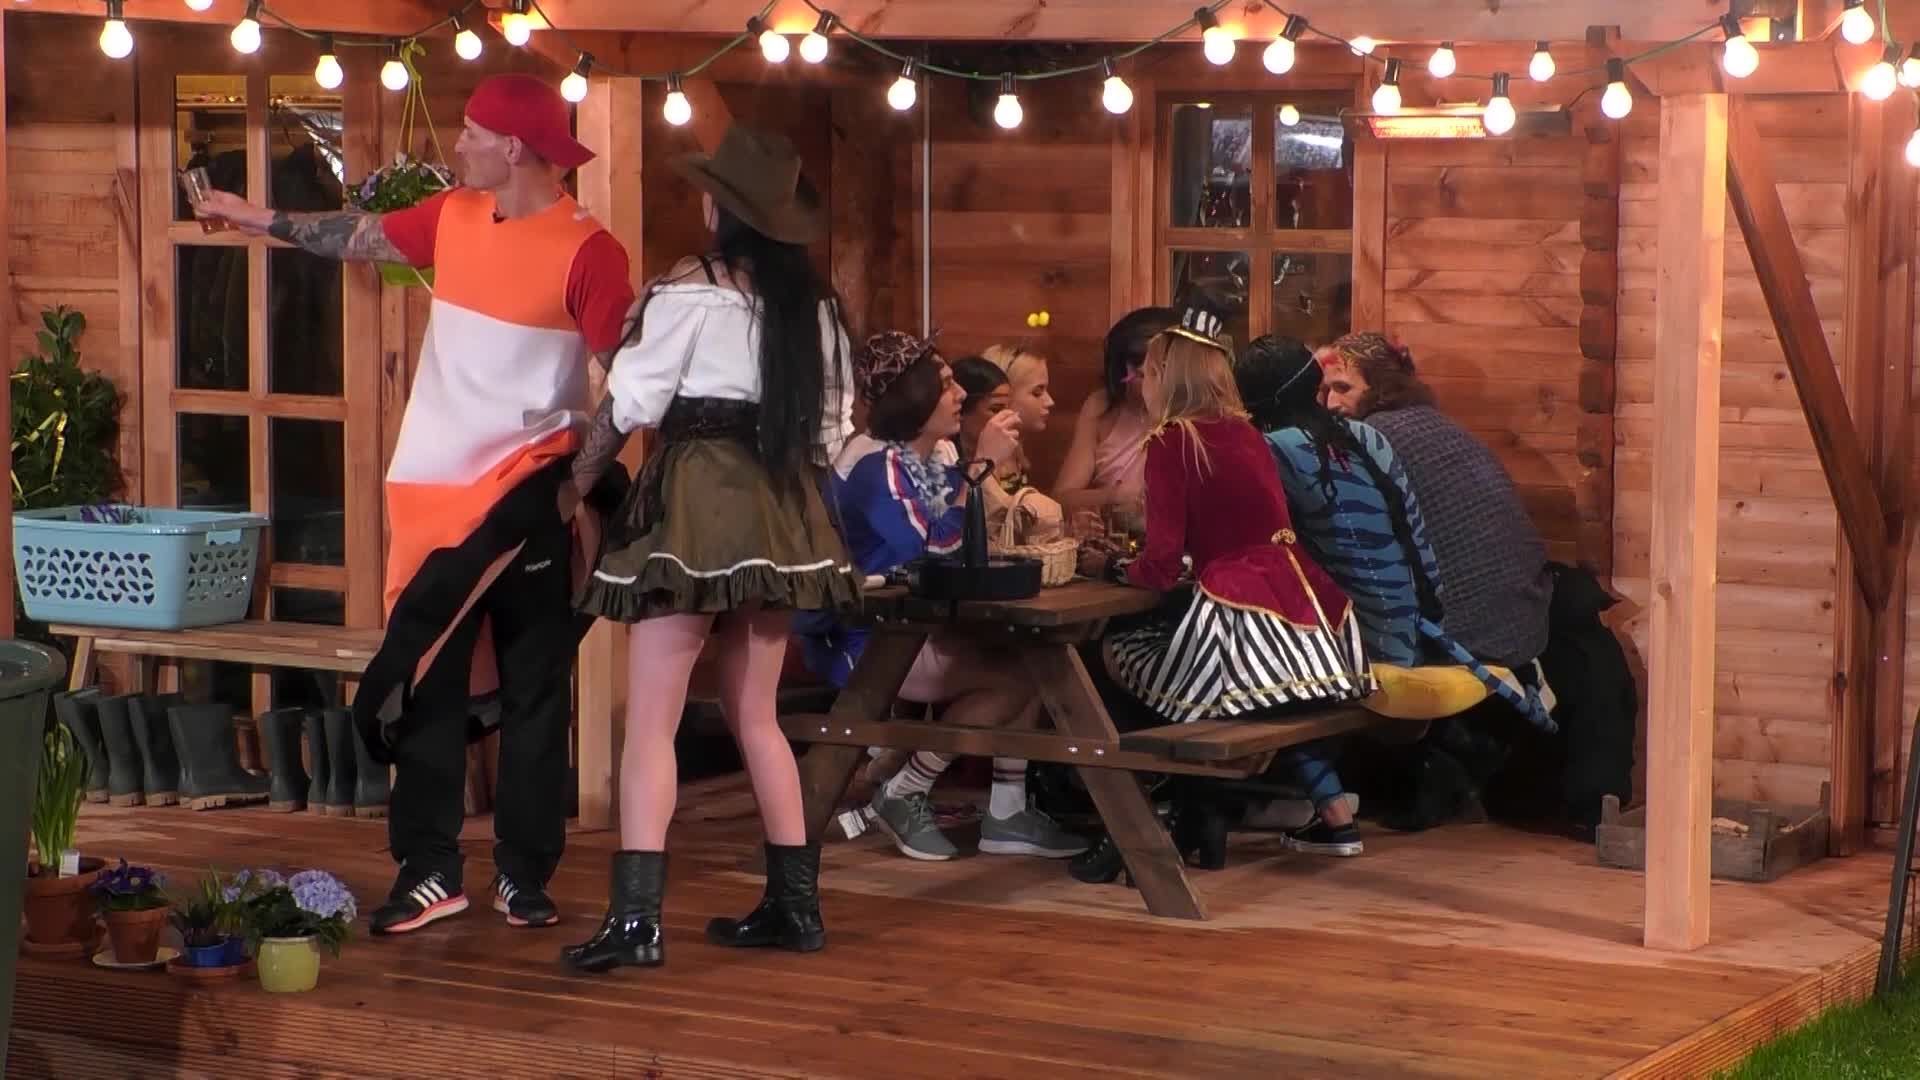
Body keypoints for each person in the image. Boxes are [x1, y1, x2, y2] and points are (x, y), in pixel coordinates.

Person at [195, 74, 636, 936]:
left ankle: (524, 873)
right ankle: (430, 869)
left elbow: (634, 380)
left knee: (537, 689)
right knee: (426, 681)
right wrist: (256, 217)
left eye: (470, 132)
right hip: (430, 497)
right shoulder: (455, 215)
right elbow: (359, 237)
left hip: (527, 500)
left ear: (513, 148)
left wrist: (577, 484)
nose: (456, 144)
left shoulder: (590, 251)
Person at [560, 126, 861, 973]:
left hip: (695, 502)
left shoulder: (689, 291)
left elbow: (631, 403)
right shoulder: (817, 307)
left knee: (652, 721)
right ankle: (796, 909)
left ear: (719, 208)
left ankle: (636, 924)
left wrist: (574, 485)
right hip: (782, 507)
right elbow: (834, 430)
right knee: (756, 715)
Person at [1079, 306, 1374, 857]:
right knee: (1260, 697)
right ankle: (1319, 817)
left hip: (1239, 619)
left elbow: (1159, 568)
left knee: (1116, 653)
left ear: (1167, 376)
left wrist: (1107, 567)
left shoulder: (1171, 440)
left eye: (1148, 370)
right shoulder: (1245, 432)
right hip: (1304, 612)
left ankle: (1152, 809)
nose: (1138, 381)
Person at [799, 332, 1087, 862]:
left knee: (1033, 657)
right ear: (914, 397)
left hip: (919, 625)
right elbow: (929, 551)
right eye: (947, 385)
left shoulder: (934, 455)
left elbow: (958, 543)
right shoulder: (874, 466)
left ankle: (1004, 813)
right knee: (1018, 677)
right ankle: (906, 790)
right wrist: (981, 470)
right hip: (866, 636)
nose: (959, 395)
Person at [1316, 332, 1551, 671]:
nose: (1331, 404)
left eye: (1343, 388)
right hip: (1526, 622)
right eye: (1326, 391)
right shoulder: (1440, 426)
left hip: (1462, 638)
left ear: (1381, 386)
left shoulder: (1372, 439)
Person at [1054, 308, 1176, 523]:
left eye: (1163, 368)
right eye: (1143, 371)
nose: (1156, 379)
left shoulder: (1195, 411)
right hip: (1118, 537)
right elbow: (1061, 499)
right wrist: (1114, 497)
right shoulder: (1100, 407)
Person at [979, 344, 1055, 489]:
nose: (1050, 401)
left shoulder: (1015, 454)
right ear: (1004, 395)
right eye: (1037, 392)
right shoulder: (980, 459)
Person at [950, 354, 1012, 463]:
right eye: (996, 410)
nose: (1008, 418)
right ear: (961, 409)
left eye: (1009, 408)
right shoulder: (944, 458)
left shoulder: (1005, 454)